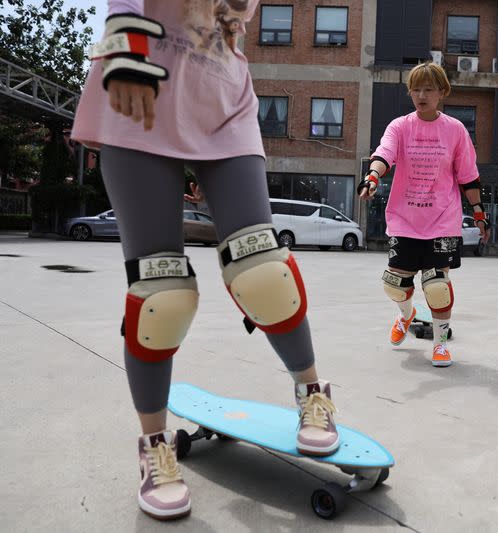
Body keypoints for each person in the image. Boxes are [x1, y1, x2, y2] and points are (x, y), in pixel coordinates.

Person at [71, 1, 339, 520]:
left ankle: (313, 392)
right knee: (160, 292)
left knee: (262, 269)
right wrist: (124, 45)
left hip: (222, 98)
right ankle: (154, 445)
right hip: (140, 81)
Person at [359, 62, 488, 367]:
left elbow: (468, 176)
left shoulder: (455, 130)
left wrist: (479, 214)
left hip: (442, 221)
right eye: (415, 89)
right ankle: (407, 315)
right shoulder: (400, 126)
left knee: (436, 287)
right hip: (405, 220)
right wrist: (372, 177)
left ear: (442, 92)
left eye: (428, 89)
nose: (421, 94)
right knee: (394, 284)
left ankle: (440, 344)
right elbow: (384, 153)